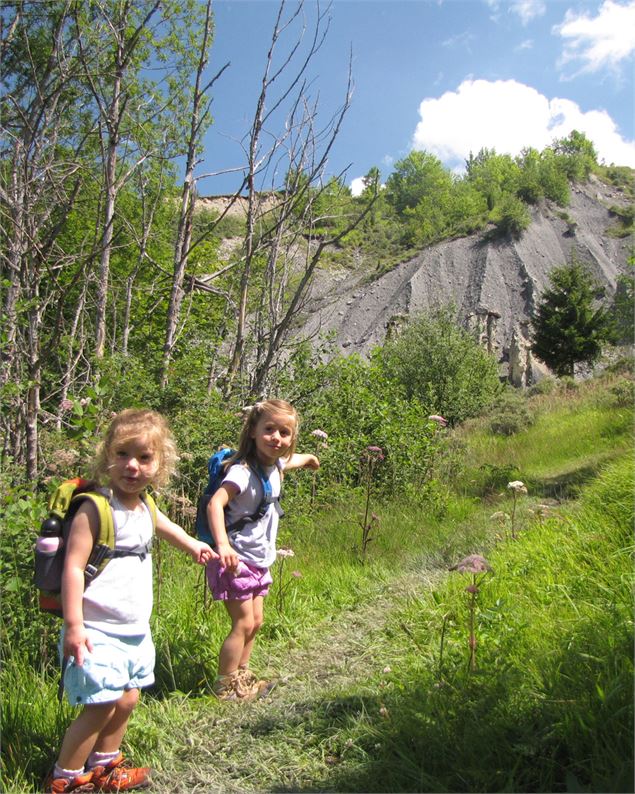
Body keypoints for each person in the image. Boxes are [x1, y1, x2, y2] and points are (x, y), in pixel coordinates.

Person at [45, 409, 215, 793]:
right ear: (107, 455)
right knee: (101, 704)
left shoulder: (144, 505)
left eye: (144, 457)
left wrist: (193, 546)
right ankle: (65, 779)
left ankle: (105, 767)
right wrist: (74, 625)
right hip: (96, 630)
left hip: (134, 629)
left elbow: (166, 526)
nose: (132, 466)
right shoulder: (97, 508)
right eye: (122, 454)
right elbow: (73, 569)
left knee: (126, 700)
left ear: (160, 463)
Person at [206, 399, 319, 702]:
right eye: (269, 429)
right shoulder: (241, 473)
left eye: (285, 433)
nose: (277, 438)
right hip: (235, 558)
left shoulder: (276, 464)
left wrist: (308, 457)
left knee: (256, 622)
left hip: (259, 560)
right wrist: (223, 546)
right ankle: (225, 686)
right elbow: (215, 504)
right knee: (242, 623)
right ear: (253, 432)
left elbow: (290, 461)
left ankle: (242, 675)